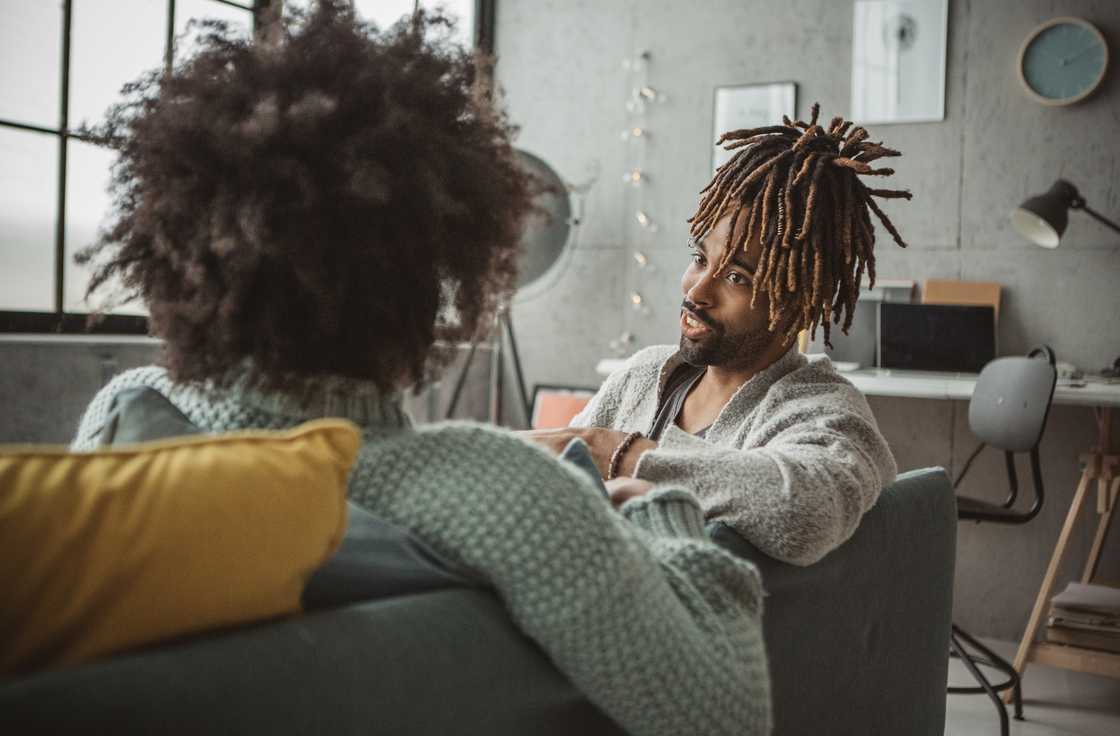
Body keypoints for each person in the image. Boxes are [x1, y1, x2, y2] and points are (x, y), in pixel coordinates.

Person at [68, 3, 770, 734]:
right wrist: (665, 513)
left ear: (181, 255)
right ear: (435, 267)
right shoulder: (511, 500)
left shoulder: (127, 420)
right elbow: (729, 715)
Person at [526, 106, 907, 566]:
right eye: (700, 259)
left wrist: (622, 455)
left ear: (800, 303)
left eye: (738, 278)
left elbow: (808, 510)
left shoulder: (824, 412)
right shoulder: (642, 375)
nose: (697, 289)